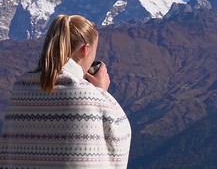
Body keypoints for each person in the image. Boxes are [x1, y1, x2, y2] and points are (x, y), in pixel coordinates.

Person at [0, 14, 131, 168]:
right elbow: (120, 137)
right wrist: (101, 94)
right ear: (85, 49)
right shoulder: (90, 97)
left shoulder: (20, 88)